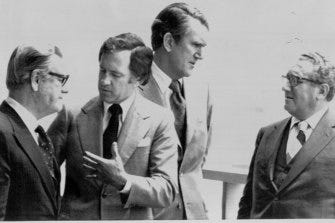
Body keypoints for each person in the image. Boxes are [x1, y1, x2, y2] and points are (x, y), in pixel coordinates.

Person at [60, 33, 179, 220]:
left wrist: (124, 181)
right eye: (102, 70)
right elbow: (43, 172)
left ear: (138, 78)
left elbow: (167, 190)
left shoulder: (160, 119)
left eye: (115, 74)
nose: (104, 81)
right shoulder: (72, 116)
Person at [138, 2, 213, 220]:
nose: (200, 55)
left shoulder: (203, 93)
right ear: (169, 41)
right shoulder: (131, 91)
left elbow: (197, 163)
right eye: (195, 45)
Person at [238, 52, 335, 218]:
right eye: (287, 78)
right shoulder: (266, 134)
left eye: (295, 80)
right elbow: (248, 201)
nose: (285, 87)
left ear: (321, 91)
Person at [0, 44, 69, 220]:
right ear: (36, 79)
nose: (65, 89)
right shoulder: (2, 132)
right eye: (61, 79)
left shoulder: (36, 135)